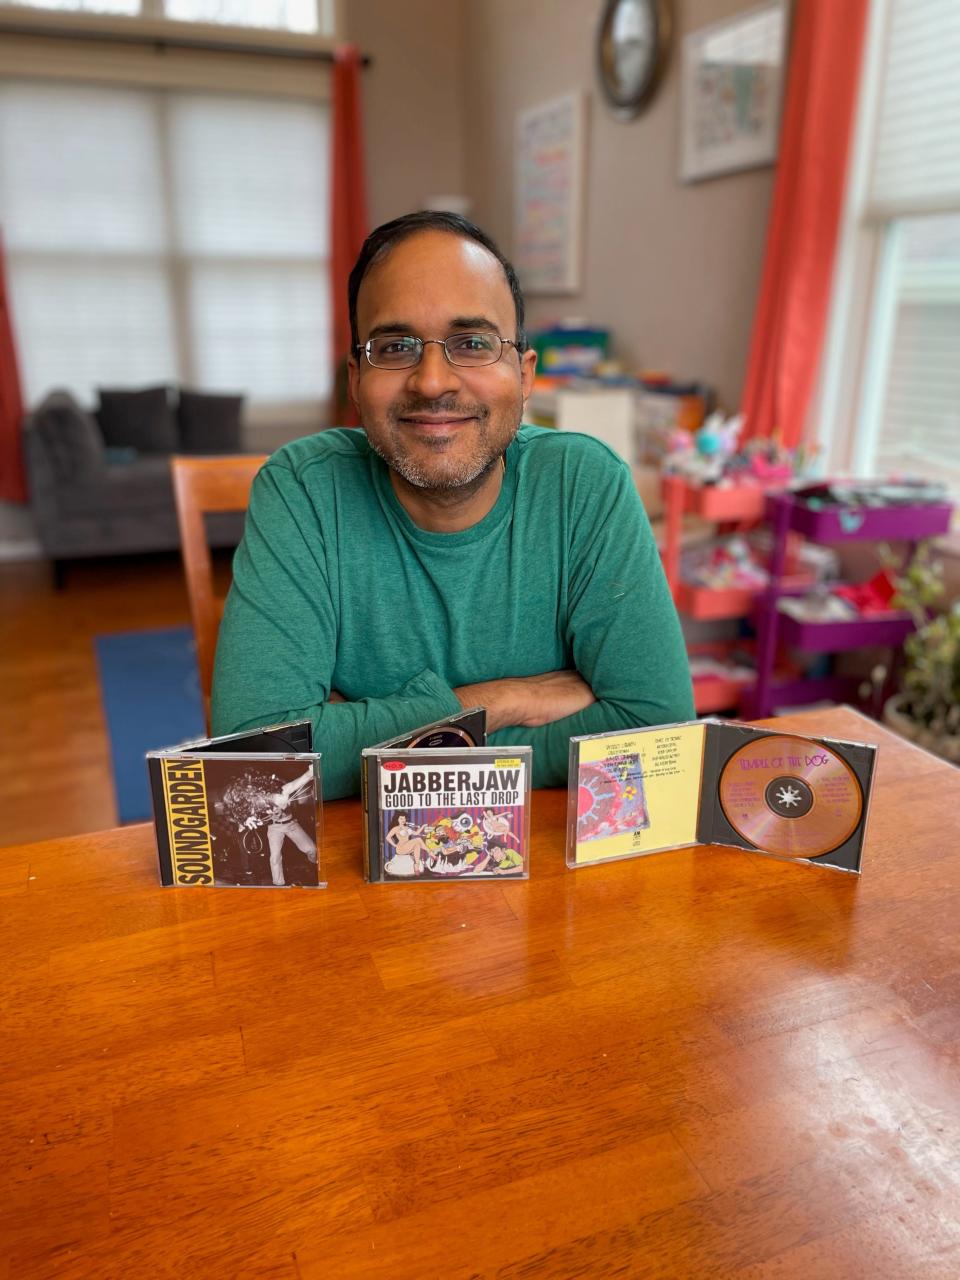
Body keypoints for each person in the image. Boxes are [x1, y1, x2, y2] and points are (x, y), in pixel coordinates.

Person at [212, 210, 693, 799]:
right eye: (395, 346)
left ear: (524, 374)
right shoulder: (303, 489)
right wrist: (491, 704)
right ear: (356, 378)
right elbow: (255, 759)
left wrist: (357, 733)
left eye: (471, 343)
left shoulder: (584, 484)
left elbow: (655, 735)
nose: (433, 381)